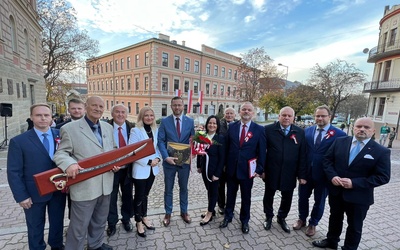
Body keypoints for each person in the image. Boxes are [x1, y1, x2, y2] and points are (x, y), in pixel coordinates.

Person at [312, 117, 391, 250]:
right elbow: (327, 161)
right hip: (337, 191)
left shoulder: (381, 151)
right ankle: (331, 241)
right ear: (353, 128)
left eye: (366, 127)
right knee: (335, 218)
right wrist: (333, 176)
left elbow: (383, 177)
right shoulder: (340, 142)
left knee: (355, 225)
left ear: (373, 131)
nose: (362, 129)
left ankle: (349, 247)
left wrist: (354, 183)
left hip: (359, 196)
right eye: (359, 126)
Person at [54, 96, 117, 250]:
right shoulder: (70, 129)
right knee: (78, 226)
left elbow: (114, 150)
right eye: (94, 105)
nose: (98, 109)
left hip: (105, 183)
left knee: (99, 220)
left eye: (101, 106)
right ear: (86, 107)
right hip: (85, 186)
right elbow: (60, 154)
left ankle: (95, 245)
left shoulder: (108, 127)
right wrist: (69, 164)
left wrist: (116, 163)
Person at [7, 103, 66, 250]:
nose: (43, 118)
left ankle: (56, 245)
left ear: (51, 117)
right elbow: (14, 172)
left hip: (58, 190)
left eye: (46, 115)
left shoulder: (60, 135)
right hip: (33, 194)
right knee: (35, 226)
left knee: (57, 221)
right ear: (32, 117)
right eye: (39, 115)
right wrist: (21, 196)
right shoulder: (19, 141)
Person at [293, 105, 346, 237]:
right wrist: (301, 173)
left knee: (319, 201)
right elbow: (302, 153)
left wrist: (334, 175)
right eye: (317, 116)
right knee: (302, 198)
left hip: (324, 176)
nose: (320, 118)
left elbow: (340, 158)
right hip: (306, 174)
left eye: (323, 116)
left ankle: (313, 223)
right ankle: (302, 219)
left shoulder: (340, 135)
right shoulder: (307, 131)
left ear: (329, 117)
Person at [219, 102, 266, 234]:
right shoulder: (232, 127)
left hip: (247, 170)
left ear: (253, 113)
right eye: (244, 109)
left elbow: (261, 151)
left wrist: (259, 169)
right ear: (239, 112)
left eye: (249, 110)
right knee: (230, 195)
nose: (246, 112)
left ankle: (245, 220)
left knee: (246, 197)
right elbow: (226, 147)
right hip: (232, 168)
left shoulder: (259, 129)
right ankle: (228, 216)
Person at [263, 106, 307, 234]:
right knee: (268, 195)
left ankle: (281, 218)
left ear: (293, 118)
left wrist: (301, 174)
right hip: (272, 170)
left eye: (289, 116)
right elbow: (262, 151)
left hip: (290, 172)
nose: (286, 118)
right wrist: (262, 170)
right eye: (284, 115)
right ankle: (268, 216)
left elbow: (302, 154)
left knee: (287, 197)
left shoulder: (300, 132)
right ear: (279, 116)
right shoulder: (268, 130)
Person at [158, 96, 195, 226]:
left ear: (183, 106)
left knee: (183, 188)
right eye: (175, 105)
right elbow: (160, 141)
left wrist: (194, 150)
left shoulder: (190, 121)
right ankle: (168, 213)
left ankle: (184, 212)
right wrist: (165, 157)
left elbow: (193, 139)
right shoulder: (164, 121)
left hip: (184, 162)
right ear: (171, 106)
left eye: (179, 105)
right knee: (168, 189)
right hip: (169, 162)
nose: (177, 107)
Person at [128, 106, 161, 238]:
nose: (149, 118)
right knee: (139, 196)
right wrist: (148, 162)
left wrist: (158, 158)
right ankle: (138, 222)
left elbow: (156, 147)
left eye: (151, 115)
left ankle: (144, 217)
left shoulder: (155, 129)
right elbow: (133, 151)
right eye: (146, 115)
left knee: (145, 195)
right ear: (142, 116)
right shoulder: (135, 130)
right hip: (141, 169)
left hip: (153, 169)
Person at [106, 104, 135, 237]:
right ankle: (111, 223)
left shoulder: (132, 128)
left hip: (127, 169)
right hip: (110, 170)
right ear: (112, 114)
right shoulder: (105, 128)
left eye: (123, 112)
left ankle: (126, 219)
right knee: (111, 198)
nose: (120, 114)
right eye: (117, 112)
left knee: (127, 195)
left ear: (126, 114)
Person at [197, 115, 225, 226]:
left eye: (214, 123)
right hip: (205, 168)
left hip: (214, 170)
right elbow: (199, 151)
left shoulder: (220, 138)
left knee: (214, 191)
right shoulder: (202, 136)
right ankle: (211, 209)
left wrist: (218, 173)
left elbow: (222, 158)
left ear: (217, 125)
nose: (212, 125)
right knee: (209, 190)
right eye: (210, 123)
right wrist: (199, 165)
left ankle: (209, 214)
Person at [217, 107, 236, 215]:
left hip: (233, 161)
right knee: (220, 185)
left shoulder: (238, 125)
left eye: (231, 113)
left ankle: (230, 205)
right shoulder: (219, 124)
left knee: (232, 186)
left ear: (235, 115)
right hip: (221, 160)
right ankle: (221, 205)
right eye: (227, 113)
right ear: (224, 114)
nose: (229, 115)